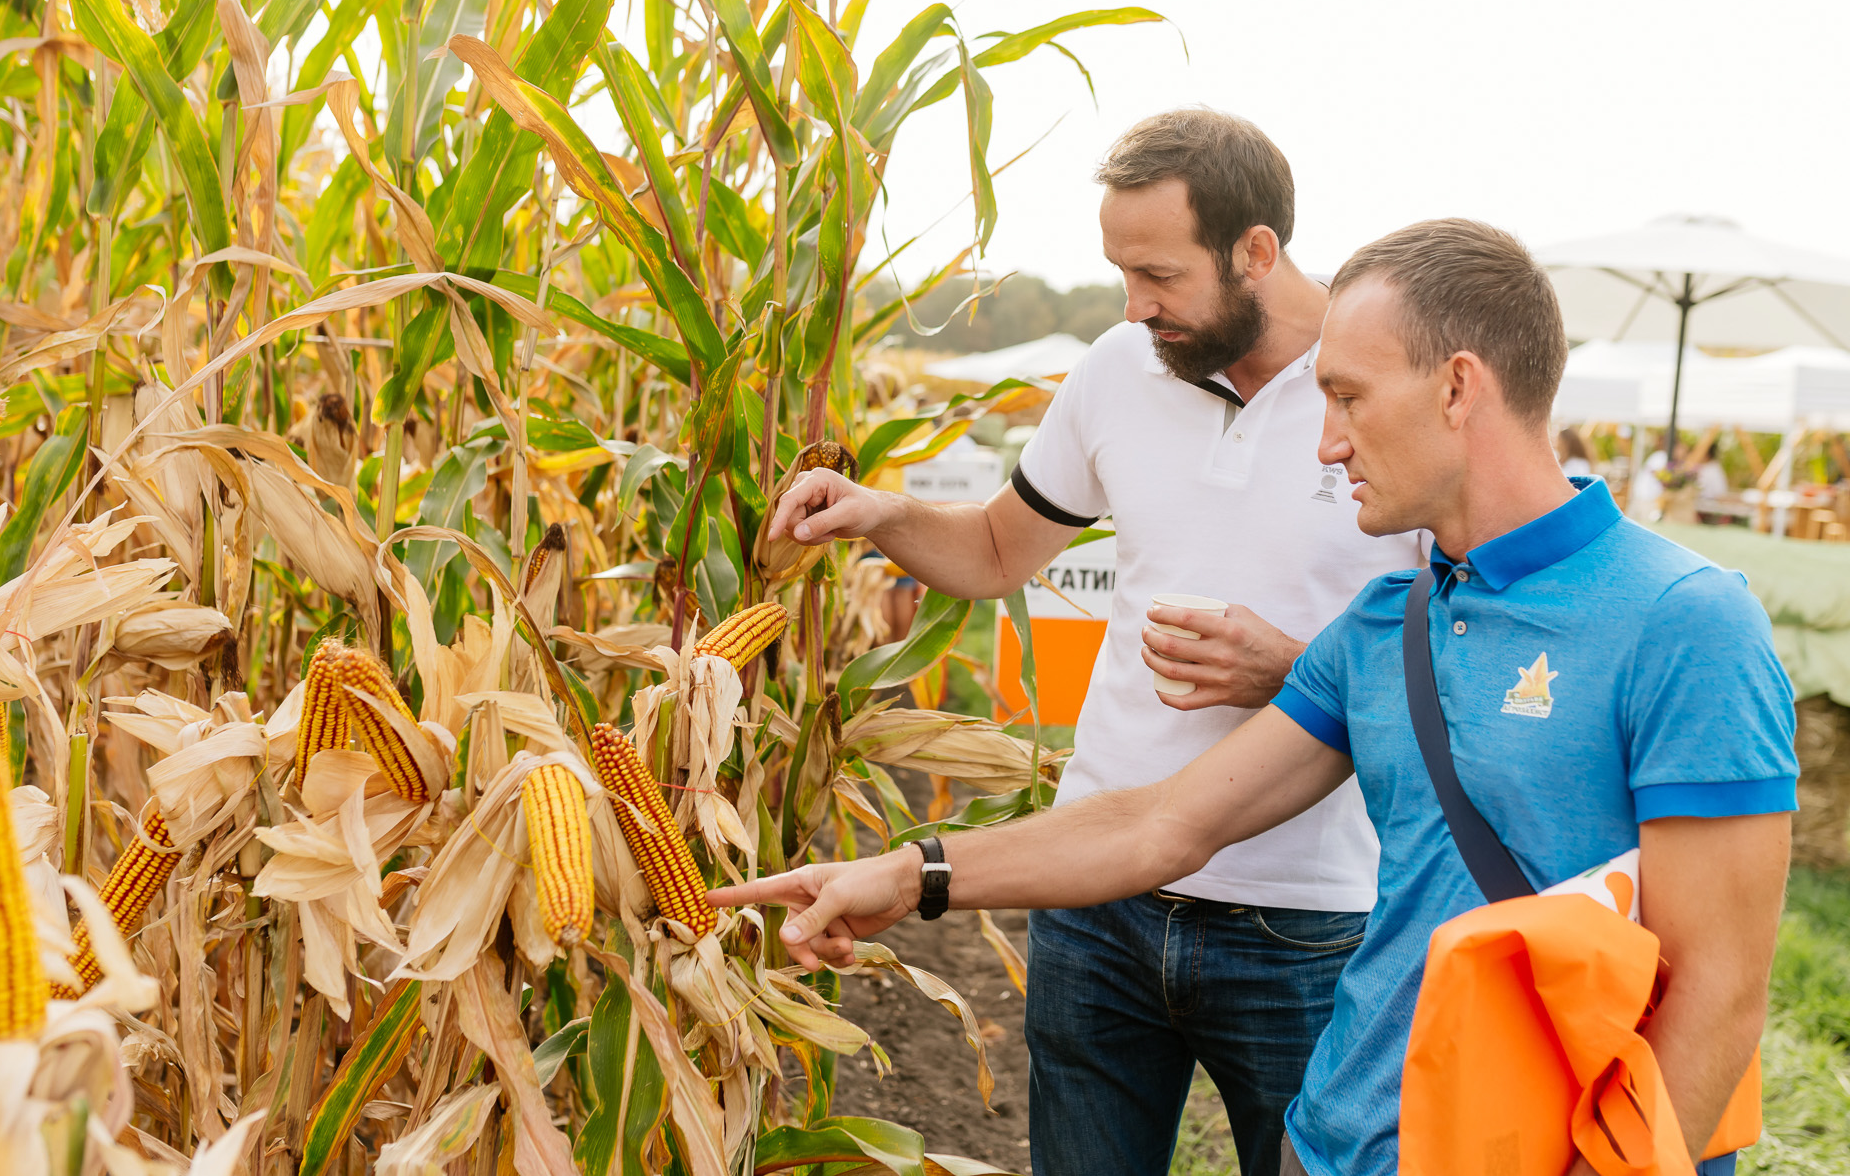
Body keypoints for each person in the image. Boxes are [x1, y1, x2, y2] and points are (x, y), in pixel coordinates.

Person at [721, 219, 1797, 1176]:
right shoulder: (1383, 628)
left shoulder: (1684, 623)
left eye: (1345, 397)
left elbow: (1715, 1000)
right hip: (1332, 1141)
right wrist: (910, 874)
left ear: (1457, 388)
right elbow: (1160, 822)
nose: (1325, 442)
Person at [759, 110, 1425, 1174]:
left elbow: (1452, 665)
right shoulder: (1119, 368)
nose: (1133, 305)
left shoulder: (1383, 392)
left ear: (1255, 251)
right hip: (1093, 901)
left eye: (1156, 273)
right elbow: (991, 551)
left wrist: (1290, 672)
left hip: (1305, 918)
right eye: (1119, 272)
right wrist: (879, 513)